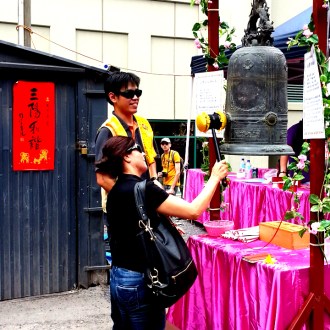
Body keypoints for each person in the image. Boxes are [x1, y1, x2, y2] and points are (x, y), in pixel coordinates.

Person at [95, 135, 228, 330]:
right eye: (137, 149)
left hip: (119, 278)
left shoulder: (115, 191)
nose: (143, 154)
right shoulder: (145, 189)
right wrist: (215, 177)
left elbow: (133, 225)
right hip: (141, 279)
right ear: (126, 157)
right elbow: (193, 210)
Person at [94, 71, 161, 240]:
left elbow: (151, 159)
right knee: (129, 261)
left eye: (137, 93)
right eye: (129, 93)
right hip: (123, 210)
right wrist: (135, 202)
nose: (135, 97)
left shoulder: (144, 125)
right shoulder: (107, 131)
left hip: (146, 206)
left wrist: (154, 190)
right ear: (113, 97)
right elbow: (102, 179)